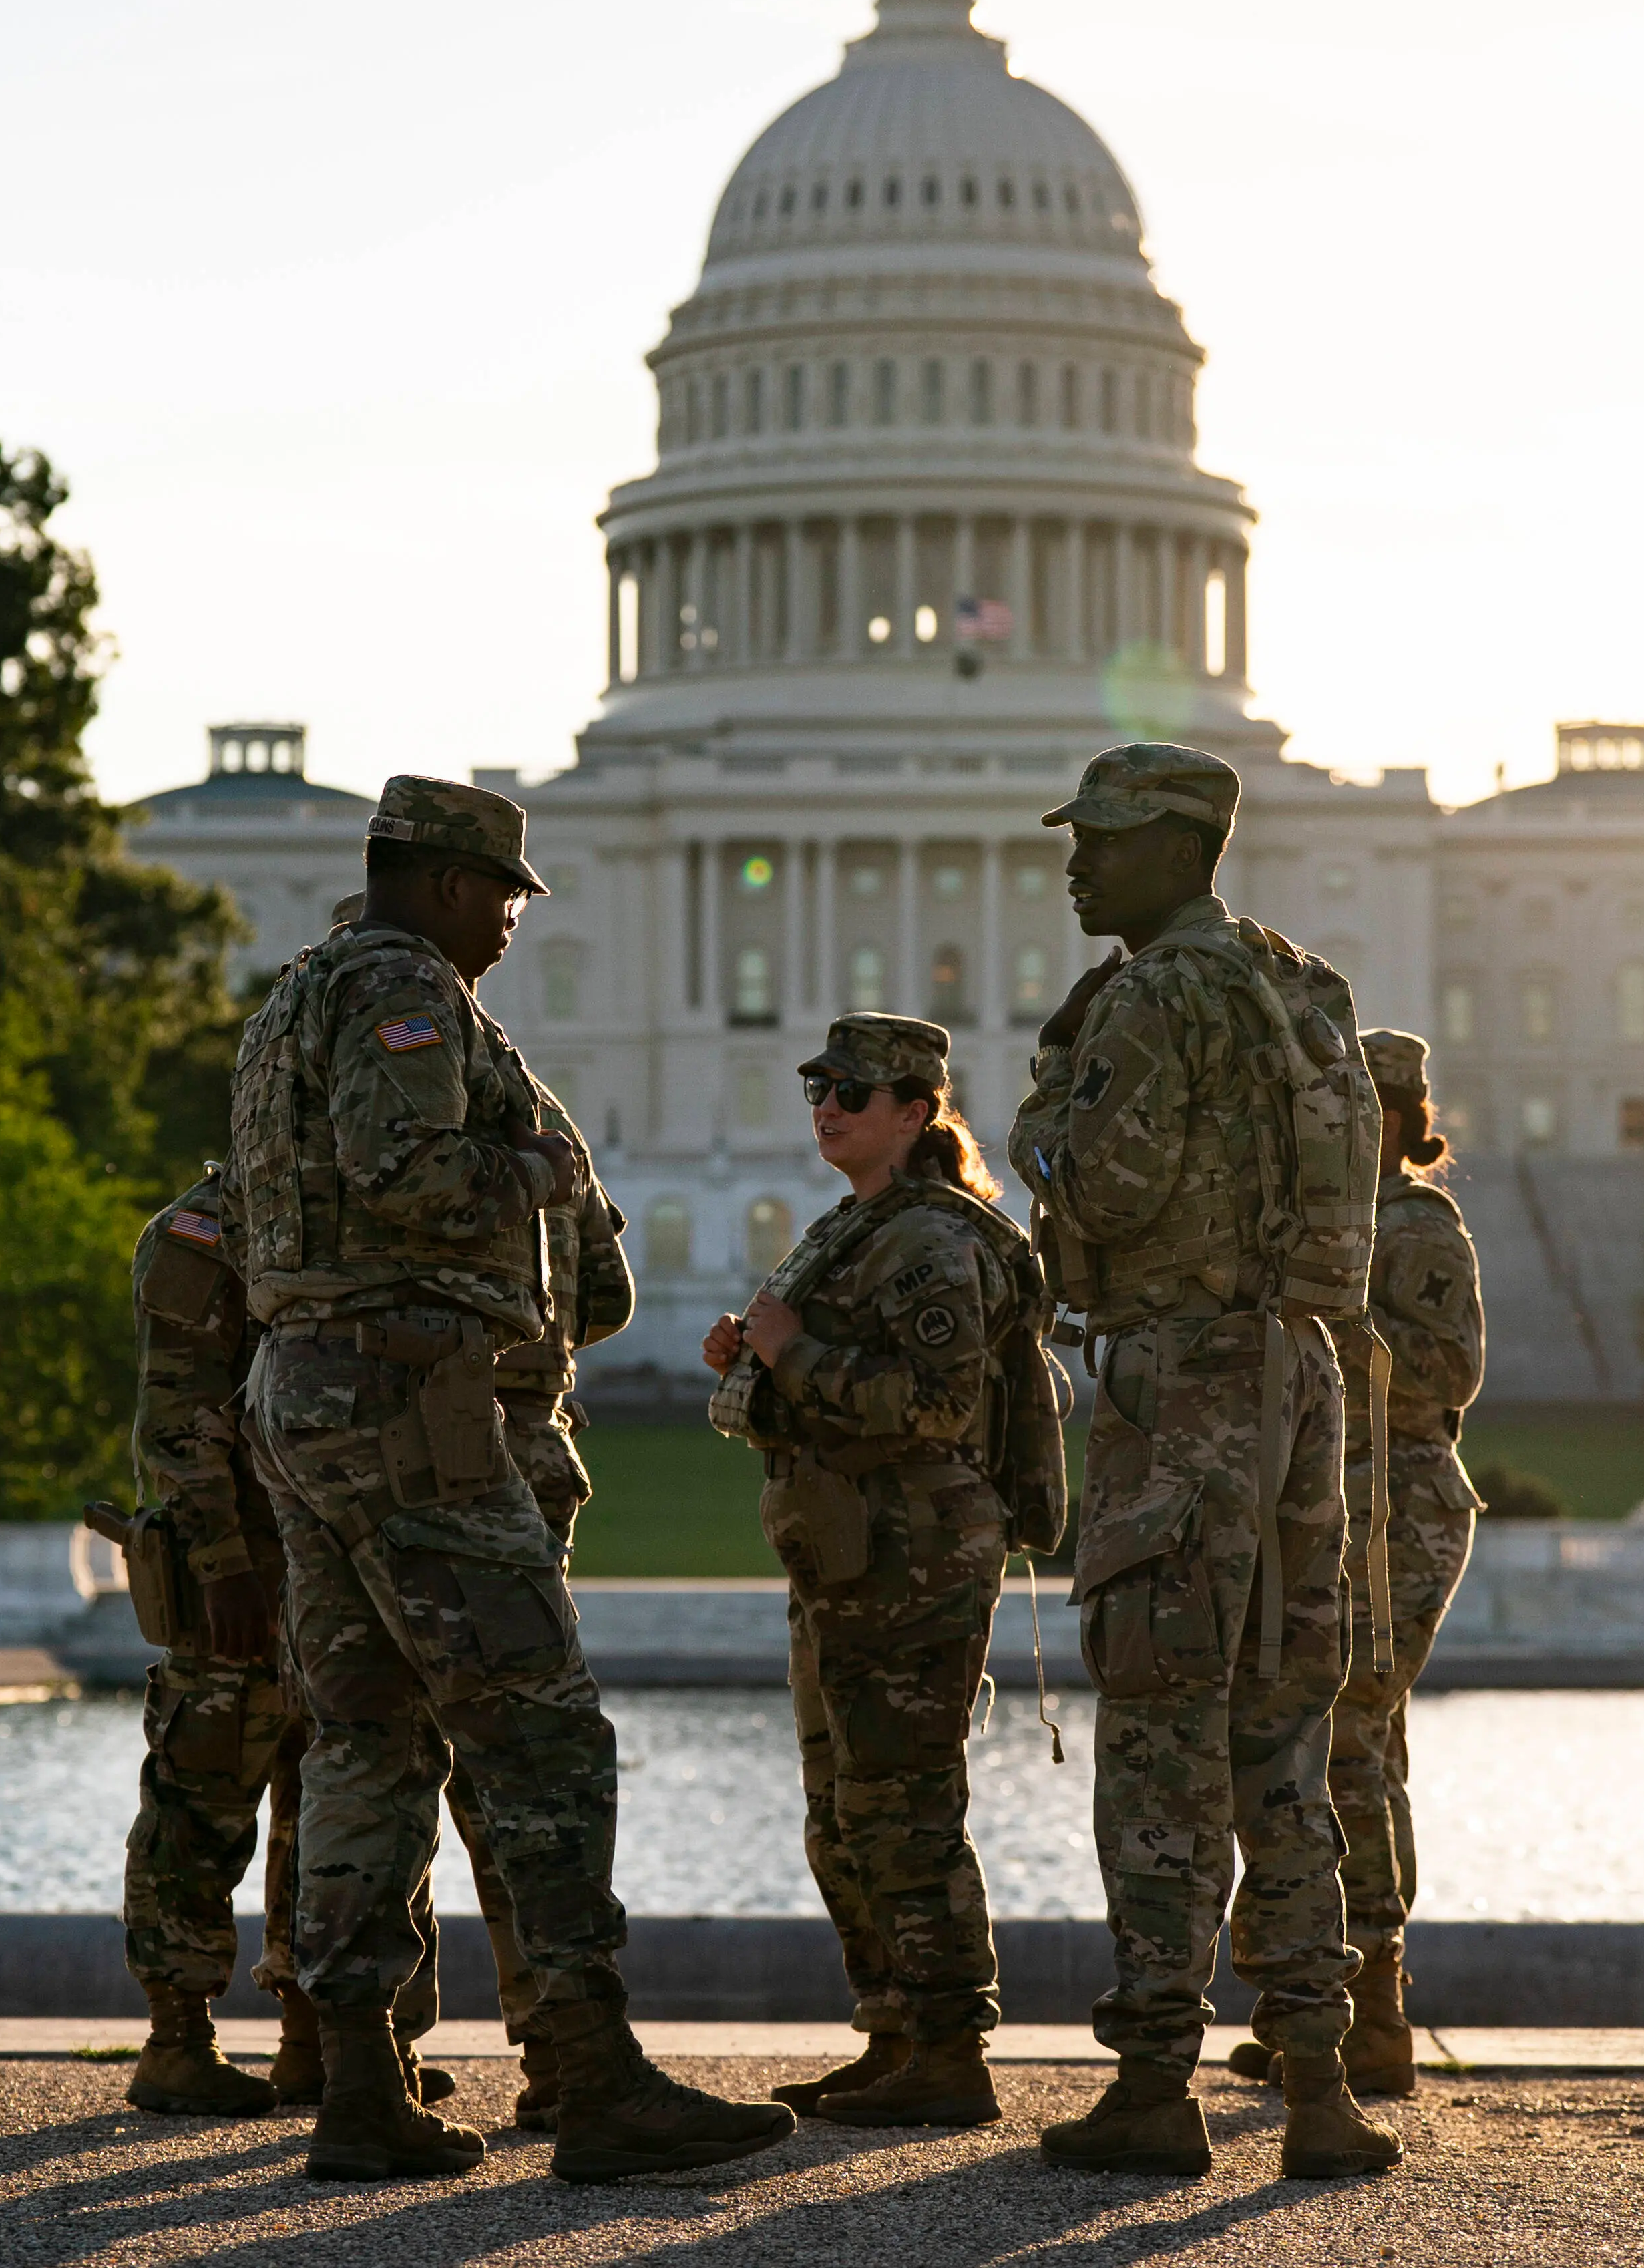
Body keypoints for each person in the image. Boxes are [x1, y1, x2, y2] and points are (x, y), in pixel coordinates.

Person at [230, 773, 793, 2185]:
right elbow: (406, 1170)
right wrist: (536, 1173)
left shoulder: (291, 998)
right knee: (538, 1733)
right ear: (438, 883)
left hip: (306, 1389)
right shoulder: (403, 990)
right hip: (413, 1400)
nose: (508, 928)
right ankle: (594, 2078)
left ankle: (358, 2080)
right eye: (499, 898)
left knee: (365, 1739)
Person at [1007, 743, 1400, 2183]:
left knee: (1162, 1741)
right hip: (1302, 1373)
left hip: (1182, 1381)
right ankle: (1317, 2081)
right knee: (1284, 1743)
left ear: (1180, 846)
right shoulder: (1300, 986)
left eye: (1102, 841)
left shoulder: (1152, 995)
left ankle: (1156, 2086)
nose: (1076, 863)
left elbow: (1104, 1178)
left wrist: (1036, 1123)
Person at [700, 1012, 1036, 2131]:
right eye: (818, 1084)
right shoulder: (858, 1225)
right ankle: (891, 2032)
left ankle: (949, 2046)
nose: (827, 1104)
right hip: (844, 1552)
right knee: (841, 1808)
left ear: (915, 1111)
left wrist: (790, 1349)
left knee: (903, 1802)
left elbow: (936, 1406)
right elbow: (829, 1360)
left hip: (911, 1557)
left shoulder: (935, 1240)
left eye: (854, 1088)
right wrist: (757, 1352)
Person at [111, 1157, 452, 2118]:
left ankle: (320, 2037)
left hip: (336, 1557)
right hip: (242, 1572)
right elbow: (175, 1421)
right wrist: (221, 1564)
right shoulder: (203, 1229)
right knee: (204, 1793)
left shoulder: (348, 1211)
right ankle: (177, 2040)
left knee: (338, 1799)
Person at [1228, 1026, 1484, 2100]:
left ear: (1386, 1118)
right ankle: (1318, 2002)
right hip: (1325, 1508)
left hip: (1394, 1514)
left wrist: (1333, 1308)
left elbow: (1447, 1370)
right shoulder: (1316, 1224)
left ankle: (1369, 2011)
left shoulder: (1414, 1226)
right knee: (1324, 1745)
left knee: (1350, 1749)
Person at [463, 1055, 630, 2132]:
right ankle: (556, 2046)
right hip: (523, 1453)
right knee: (520, 1760)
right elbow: (608, 1297)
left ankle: (345, 2051)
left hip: (367, 1445)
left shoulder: (333, 1092)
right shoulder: (544, 1117)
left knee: (363, 1748)